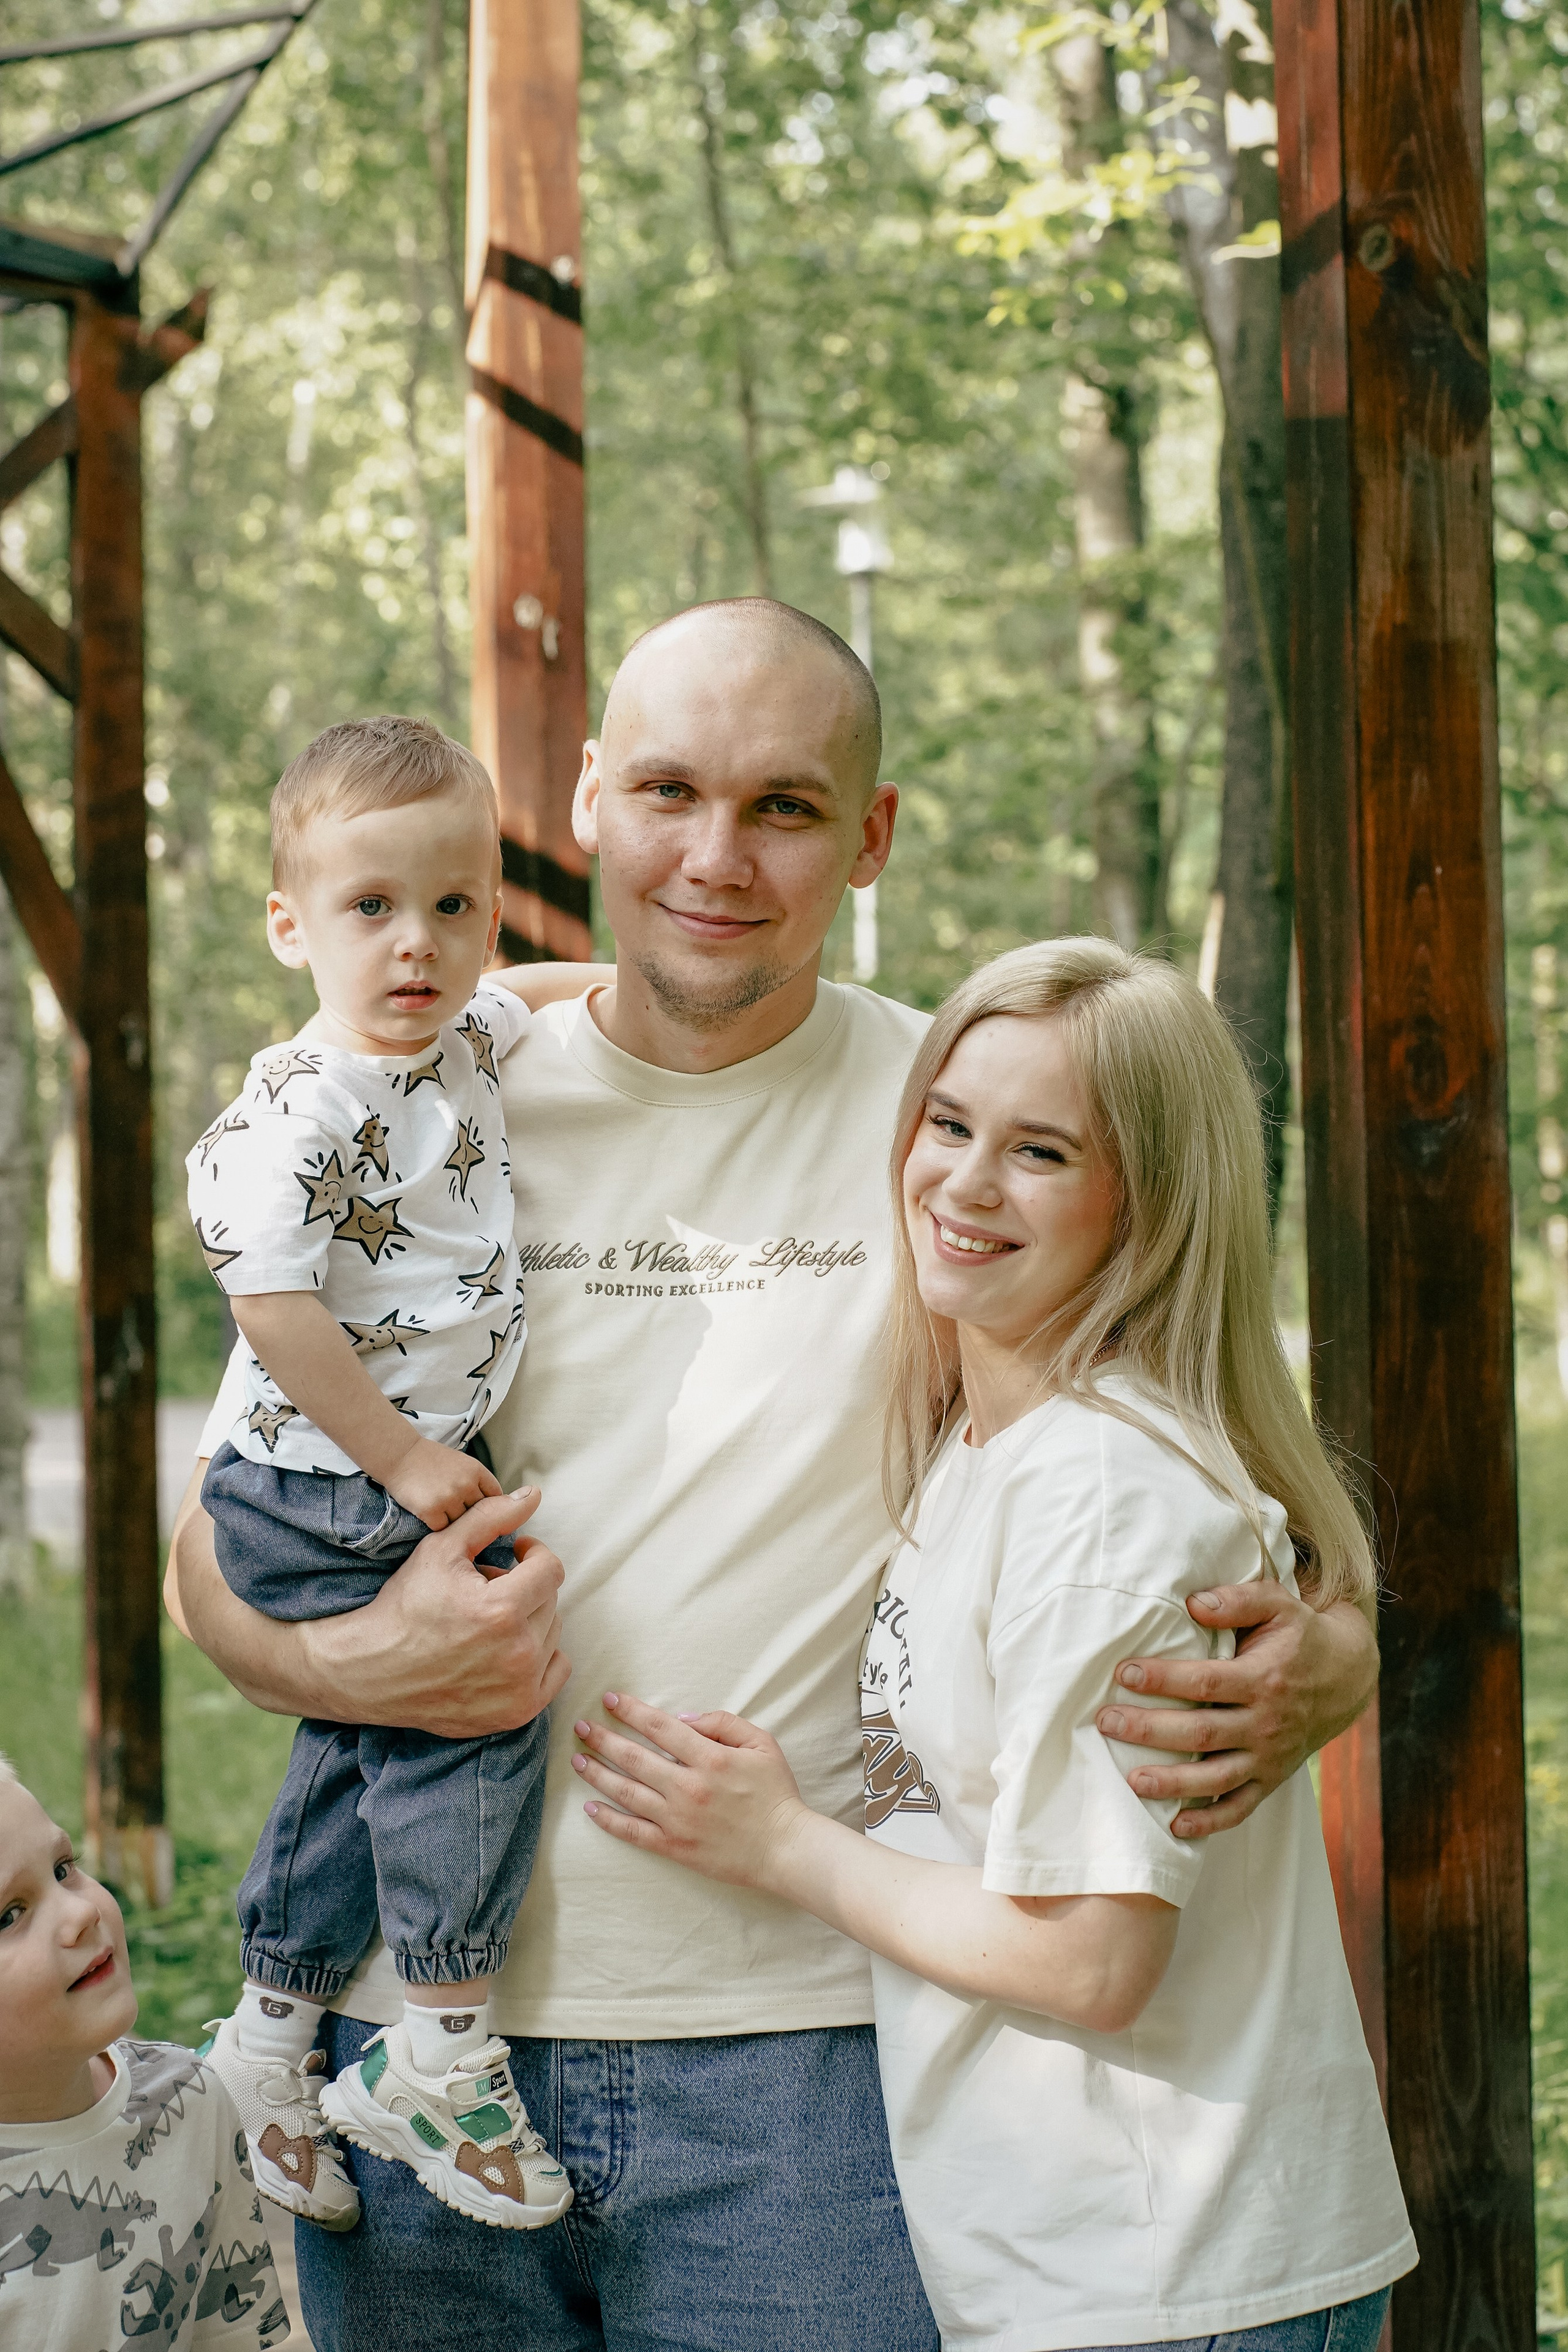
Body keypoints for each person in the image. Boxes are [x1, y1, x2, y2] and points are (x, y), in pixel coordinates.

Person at [169, 600, 1381, 2352]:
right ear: (582, 803)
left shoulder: (957, 1124)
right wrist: (344, 1665)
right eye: (667, 790)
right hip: (412, 2037)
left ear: (870, 837)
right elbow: (223, 1535)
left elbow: (1202, 1462)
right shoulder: (421, 1106)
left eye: (787, 808)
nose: (714, 858)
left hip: (813, 2058)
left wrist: (1329, 1649)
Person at [575, 937, 1416, 2351]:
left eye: (1038, 1151)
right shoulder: (993, 1439)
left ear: (1142, 1202)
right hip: (1091, 2261)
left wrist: (778, 1841)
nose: (962, 1180)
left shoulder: (1095, 1492)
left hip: (1169, 2273)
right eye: (947, 1122)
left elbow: (1090, 1957)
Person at [188, 715, 573, 2234]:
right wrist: (408, 1459)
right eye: (370, 907)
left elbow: (534, 996)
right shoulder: (297, 1108)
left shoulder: (459, 1034)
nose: (417, 943)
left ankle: (270, 2040)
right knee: (471, 1710)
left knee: (354, 1751)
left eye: (454, 904)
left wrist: (599, 984)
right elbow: (271, 1307)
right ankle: (443, 2042)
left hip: (376, 1469)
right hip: (324, 1473)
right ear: (291, 923)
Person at [0, 1757, 289, 2351]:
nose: (80, 1913)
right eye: (10, 1913)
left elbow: (233, 2333)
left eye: (63, 1869)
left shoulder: (190, 2099)